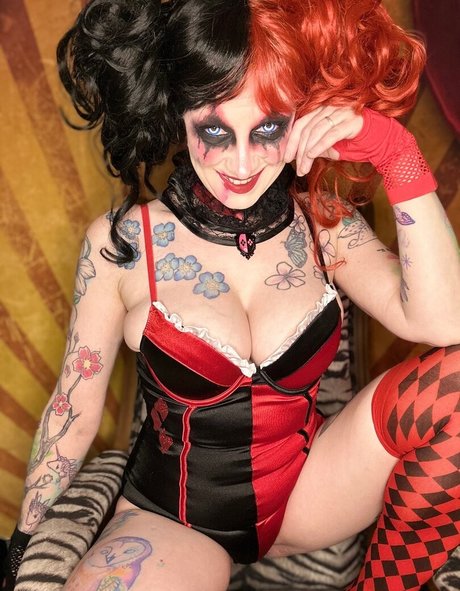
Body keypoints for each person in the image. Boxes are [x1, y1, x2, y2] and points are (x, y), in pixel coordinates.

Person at [3, 0, 459, 589]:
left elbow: (444, 322)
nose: (242, 164)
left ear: (302, 116)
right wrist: (20, 547)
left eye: (268, 129)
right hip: (176, 521)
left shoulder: (323, 222)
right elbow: (73, 409)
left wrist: (396, 153)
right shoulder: (126, 243)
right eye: (215, 131)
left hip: (310, 495)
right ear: (177, 110)